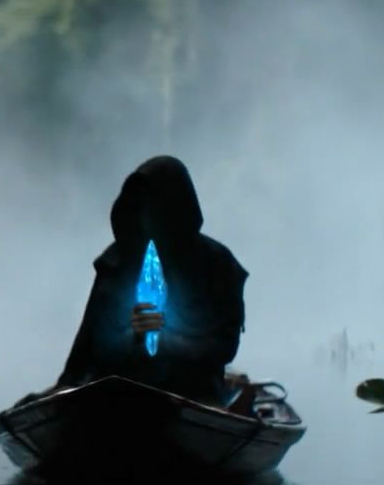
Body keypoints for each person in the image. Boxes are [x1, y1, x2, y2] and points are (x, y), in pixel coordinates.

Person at [53, 156, 252, 410]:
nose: (151, 219)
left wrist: (167, 342)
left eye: (160, 209)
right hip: (119, 392)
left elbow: (224, 346)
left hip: (196, 393)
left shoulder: (218, 265)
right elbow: (91, 350)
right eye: (144, 209)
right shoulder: (116, 264)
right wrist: (133, 336)